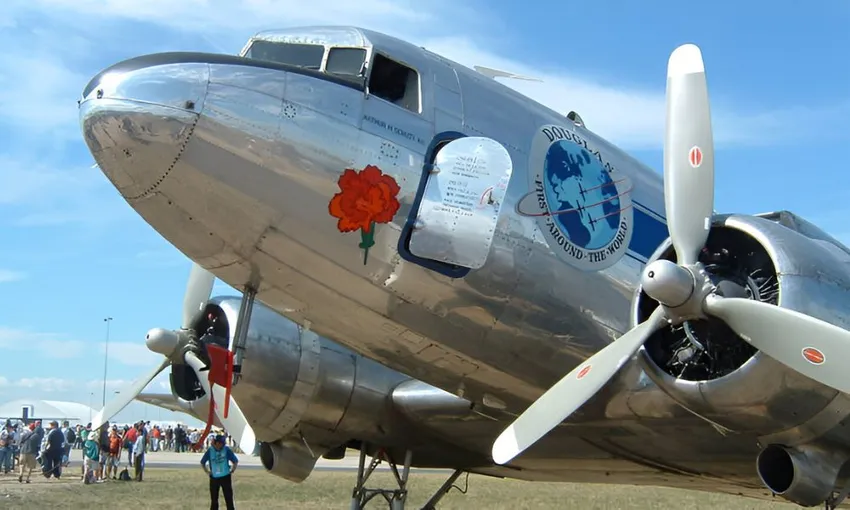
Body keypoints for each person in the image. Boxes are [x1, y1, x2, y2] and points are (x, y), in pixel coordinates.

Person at [201, 434, 239, 510]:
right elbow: (202, 462)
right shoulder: (210, 451)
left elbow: (235, 461)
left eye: (222, 443)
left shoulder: (226, 450)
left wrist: (233, 470)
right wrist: (207, 472)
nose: (221, 445)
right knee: (214, 499)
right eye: (220, 443)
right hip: (214, 477)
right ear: (216, 443)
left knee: (229, 498)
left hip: (225, 477)